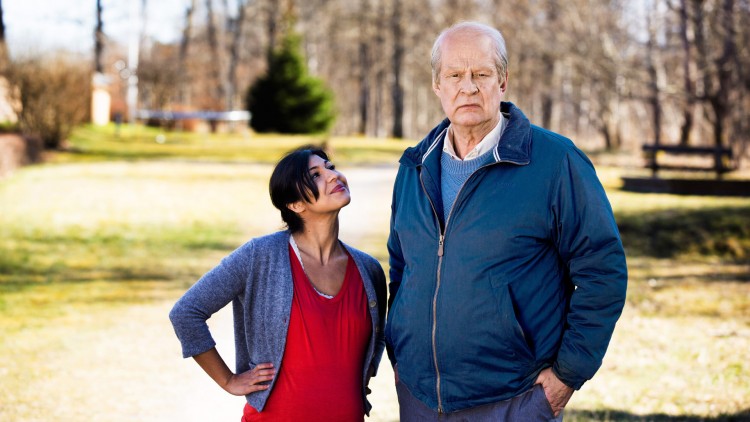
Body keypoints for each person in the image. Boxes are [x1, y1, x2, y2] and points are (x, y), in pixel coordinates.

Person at [385, 22, 628, 421]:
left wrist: (568, 375)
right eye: (454, 75)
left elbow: (604, 270)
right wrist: (401, 350)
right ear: (437, 86)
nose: (468, 87)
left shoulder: (554, 161)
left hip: (513, 399)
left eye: (481, 74)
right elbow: (402, 266)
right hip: (419, 395)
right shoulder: (414, 166)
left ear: (502, 81)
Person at [169, 146, 387, 421]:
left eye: (330, 167)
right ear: (295, 205)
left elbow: (378, 335)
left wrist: (367, 371)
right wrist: (228, 380)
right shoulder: (259, 256)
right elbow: (186, 313)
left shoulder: (368, 269)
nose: (333, 176)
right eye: (315, 175)